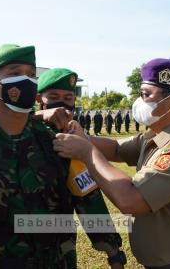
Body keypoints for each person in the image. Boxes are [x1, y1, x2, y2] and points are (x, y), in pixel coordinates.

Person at [0, 44, 125, 268]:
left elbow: (87, 198)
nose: (26, 81)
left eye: (32, 75)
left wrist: (113, 251)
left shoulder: (58, 141)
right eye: (15, 74)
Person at [53, 58, 170, 268]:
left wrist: (86, 152)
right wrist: (83, 138)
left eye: (146, 95)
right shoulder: (163, 132)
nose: (139, 101)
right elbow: (117, 149)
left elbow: (131, 200)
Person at [34, 67, 125, 266]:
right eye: (54, 96)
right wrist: (37, 117)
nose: (62, 103)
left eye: (68, 97)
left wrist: (113, 251)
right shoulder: (20, 133)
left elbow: (89, 198)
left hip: (57, 254)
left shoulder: (71, 141)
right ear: (39, 99)